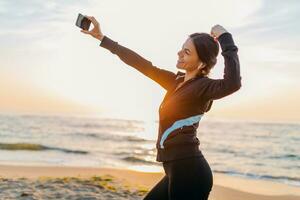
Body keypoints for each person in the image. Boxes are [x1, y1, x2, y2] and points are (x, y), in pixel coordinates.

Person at [81, 15, 241, 200]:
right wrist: (103, 38)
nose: (180, 53)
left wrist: (225, 38)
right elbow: (142, 65)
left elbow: (233, 83)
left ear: (202, 63)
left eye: (187, 52)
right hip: (176, 170)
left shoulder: (203, 87)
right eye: (181, 49)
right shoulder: (176, 81)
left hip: (190, 172)